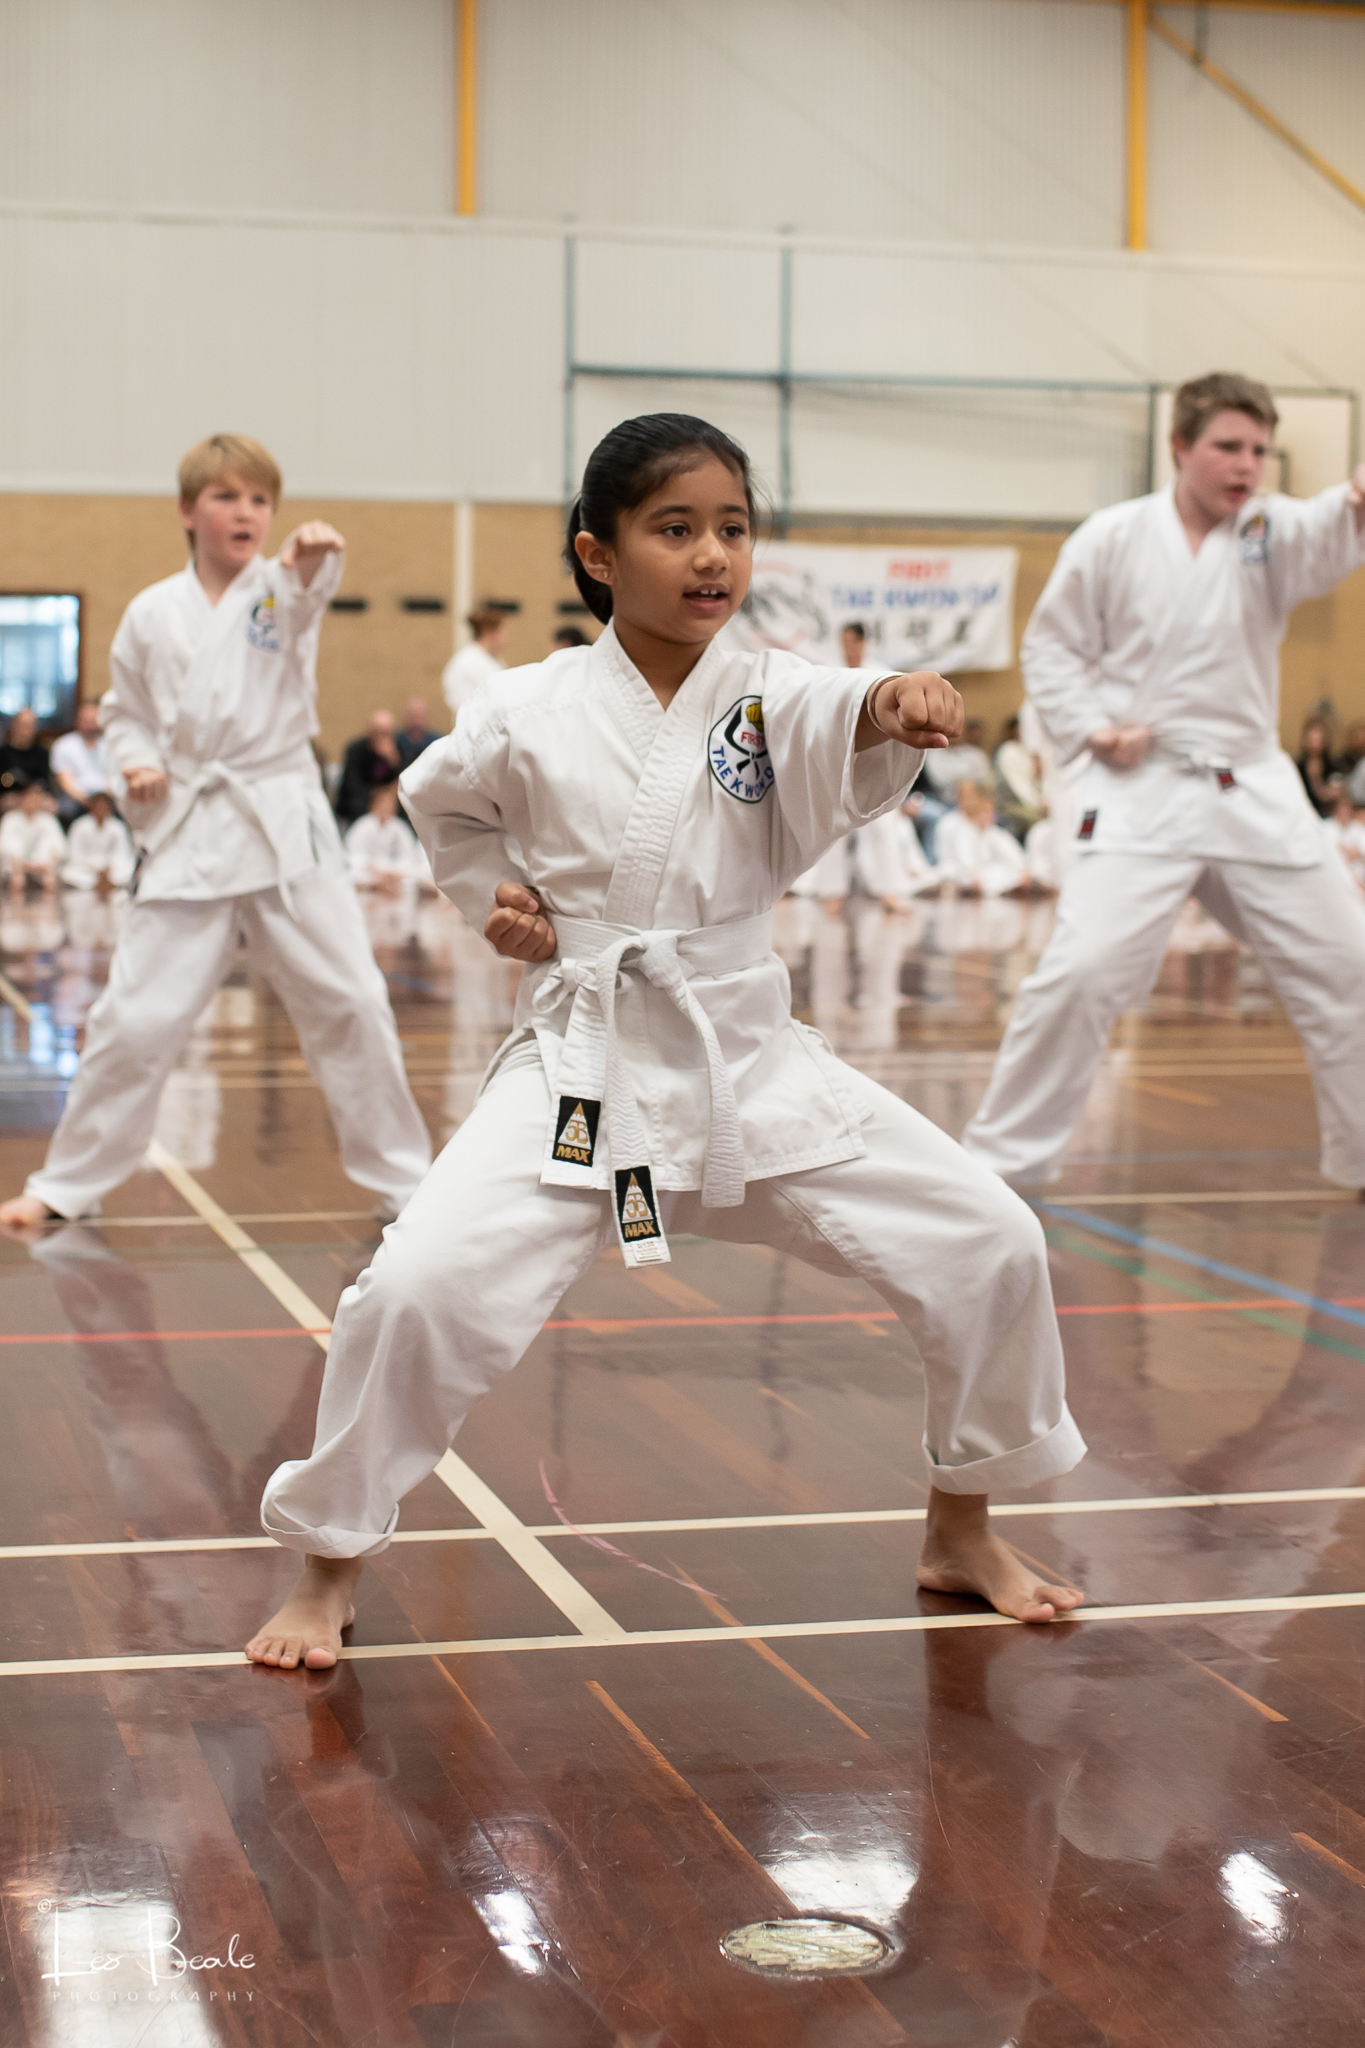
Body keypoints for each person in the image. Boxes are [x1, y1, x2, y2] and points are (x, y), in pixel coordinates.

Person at [247, 411, 1086, 1672]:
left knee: (991, 1239)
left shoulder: (767, 689)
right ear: (599, 553)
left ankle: (960, 1525)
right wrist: (498, 901)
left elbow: (834, 711)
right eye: (675, 528)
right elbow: (445, 808)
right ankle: (327, 1561)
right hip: (583, 1061)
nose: (712, 558)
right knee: (417, 1286)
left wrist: (891, 698)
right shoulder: (527, 706)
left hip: (750, 1060)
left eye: (734, 530)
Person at [0, 432, 431, 1235]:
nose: (247, 513)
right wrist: (134, 764)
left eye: (261, 500)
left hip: (280, 821)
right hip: (195, 825)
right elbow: (125, 713)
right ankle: (70, 1181)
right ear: (187, 510)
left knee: (353, 1002)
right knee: (135, 1019)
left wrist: (312, 556)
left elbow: (308, 593)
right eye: (228, 497)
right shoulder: (150, 613)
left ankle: (407, 1183)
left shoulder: (281, 589)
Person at [963, 371, 1365, 1190]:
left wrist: (1354, 498)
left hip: (1248, 785)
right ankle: (998, 1171)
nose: (1245, 465)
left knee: (1348, 969)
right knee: (1079, 973)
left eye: (1258, 449)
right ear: (1178, 445)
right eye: (1226, 446)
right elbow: (1049, 649)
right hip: (1139, 785)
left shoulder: (1266, 531)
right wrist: (1089, 728)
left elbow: (1326, 527)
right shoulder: (1110, 537)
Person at [935, 780, 1030, 896]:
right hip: (958, 869)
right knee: (948, 873)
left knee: (1004, 872)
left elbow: (1008, 848)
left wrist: (1022, 867)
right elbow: (959, 854)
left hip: (983, 871)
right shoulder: (949, 822)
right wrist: (971, 871)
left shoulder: (988, 829)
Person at [346, 782, 432, 895]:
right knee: (353, 875)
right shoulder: (362, 827)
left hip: (394, 876)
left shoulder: (400, 829)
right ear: (374, 804)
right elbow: (353, 858)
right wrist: (376, 870)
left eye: (390, 803)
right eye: (383, 803)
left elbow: (408, 859)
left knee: (413, 877)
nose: (386, 807)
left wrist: (392, 873)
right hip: (369, 874)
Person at [59, 789, 135, 893]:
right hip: (88, 870)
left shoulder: (117, 826)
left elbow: (123, 853)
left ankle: (108, 882)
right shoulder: (80, 825)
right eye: (98, 806)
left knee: (128, 870)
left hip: (112, 870)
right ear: (91, 807)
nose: (101, 809)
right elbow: (74, 854)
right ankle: (100, 883)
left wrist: (108, 867)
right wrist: (95, 867)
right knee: (68, 873)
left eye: (104, 806)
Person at [441, 607, 508, 721]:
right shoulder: (468, 661)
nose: (505, 638)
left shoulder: (491, 661)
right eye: (502, 632)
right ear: (489, 633)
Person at [50, 700, 110, 824]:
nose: (91, 726)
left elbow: (115, 778)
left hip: (106, 798)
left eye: (94, 721)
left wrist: (103, 801)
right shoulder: (64, 745)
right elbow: (65, 782)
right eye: (86, 721)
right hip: (76, 800)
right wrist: (90, 802)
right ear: (78, 721)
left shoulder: (109, 745)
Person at [0, 781, 64, 893]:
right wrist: (19, 862)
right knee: (14, 846)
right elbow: (4, 846)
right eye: (29, 797)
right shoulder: (10, 818)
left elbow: (59, 847)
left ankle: (48, 904)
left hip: (42, 868)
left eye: (36, 798)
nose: (32, 801)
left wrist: (44, 863)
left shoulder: (48, 819)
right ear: (22, 799)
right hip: (15, 868)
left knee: (47, 844)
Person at [992, 714, 1047, 841]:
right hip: (1014, 806)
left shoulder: (1042, 750)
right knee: (1040, 824)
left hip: (1042, 804)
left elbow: (1049, 781)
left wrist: (1048, 802)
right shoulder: (1008, 751)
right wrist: (1038, 805)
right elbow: (1020, 786)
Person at [0, 707, 52, 806]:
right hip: (9, 804)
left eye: (31, 726)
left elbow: (44, 784)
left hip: (36, 802)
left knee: (51, 805)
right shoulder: (2, 754)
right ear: (14, 725)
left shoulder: (42, 754)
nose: (26, 731)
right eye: (24, 725)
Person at [1323, 780, 1365, 894]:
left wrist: (1350, 851)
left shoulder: (1357, 827)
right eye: (1342, 808)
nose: (1345, 811)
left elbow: (1362, 850)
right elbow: (1331, 854)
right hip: (1338, 881)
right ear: (1335, 809)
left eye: (1347, 808)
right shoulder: (1326, 826)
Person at [1295, 716, 1338, 817]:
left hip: (1327, 817)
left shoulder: (1333, 767)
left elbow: (1333, 794)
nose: (1314, 745)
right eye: (1311, 740)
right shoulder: (1297, 767)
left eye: (1318, 740)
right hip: (1302, 815)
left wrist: (1315, 779)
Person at [394, 696, 441, 770]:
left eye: (420, 716)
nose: (417, 722)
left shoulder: (436, 741)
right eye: (414, 716)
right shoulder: (396, 740)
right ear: (406, 717)